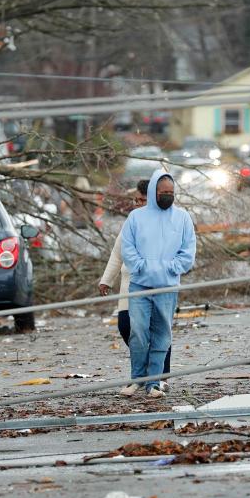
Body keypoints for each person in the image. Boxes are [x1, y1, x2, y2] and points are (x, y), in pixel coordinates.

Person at [119, 169, 196, 398]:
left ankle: (154, 383)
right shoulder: (136, 217)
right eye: (164, 192)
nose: (168, 195)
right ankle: (137, 379)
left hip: (167, 287)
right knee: (139, 333)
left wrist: (170, 269)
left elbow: (188, 251)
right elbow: (127, 248)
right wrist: (142, 267)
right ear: (154, 191)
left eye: (171, 192)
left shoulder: (182, 217)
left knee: (162, 334)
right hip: (140, 286)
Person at [98, 179, 172, 383]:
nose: (137, 204)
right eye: (136, 200)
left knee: (159, 331)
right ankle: (147, 367)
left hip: (157, 285)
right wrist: (106, 280)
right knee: (126, 326)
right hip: (129, 285)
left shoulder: (166, 221)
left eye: (141, 200)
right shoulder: (132, 221)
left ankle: (160, 377)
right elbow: (117, 252)